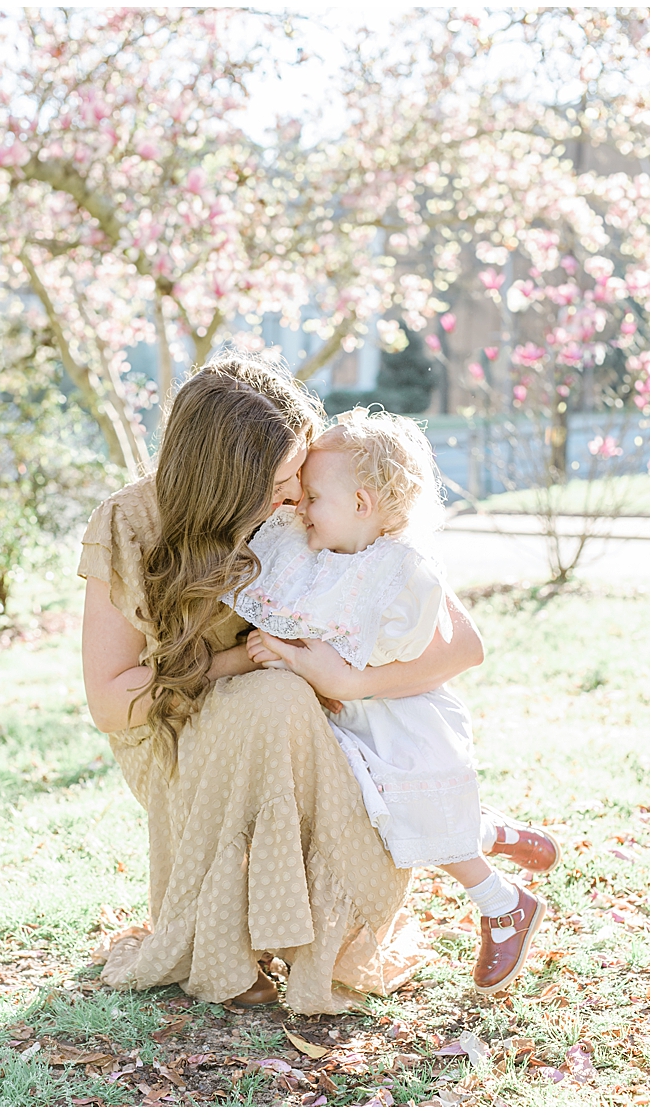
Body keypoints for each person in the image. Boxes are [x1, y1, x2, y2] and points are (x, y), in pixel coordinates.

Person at [79, 351, 550, 1013]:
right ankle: (226, 947)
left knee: (289, 702)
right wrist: (237, 662)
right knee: (271, 697)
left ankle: (427, 854)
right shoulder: (133, 522)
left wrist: (347, 681)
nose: (296, 498)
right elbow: (110, 701)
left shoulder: (306, 511)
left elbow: (462, 646)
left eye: (300, 475)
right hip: (179, 733)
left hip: (309, 719)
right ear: (226, 478)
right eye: (281, 482)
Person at [232, 408, 552, 995]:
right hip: (357, 722)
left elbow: (373, 655)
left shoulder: (401, 573)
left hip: (401, 719)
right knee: (381, 817)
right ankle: (485, 831)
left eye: (312, 498)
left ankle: (503, 903)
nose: (298, 508)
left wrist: (295, 658)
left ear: (361, 503)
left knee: (410, 811)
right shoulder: (317, 553)